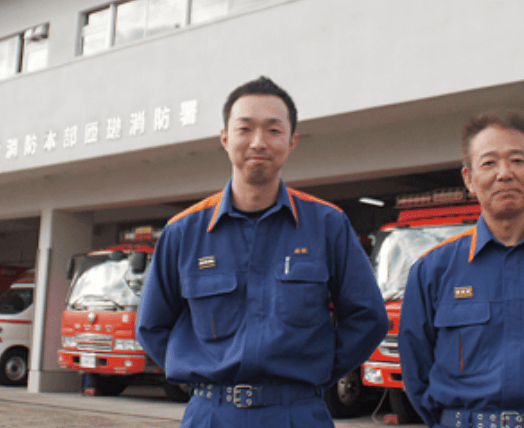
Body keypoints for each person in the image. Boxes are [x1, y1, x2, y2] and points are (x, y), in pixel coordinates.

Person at [136, 76, 389, 428]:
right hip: (211, 414)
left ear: (291, 141)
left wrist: (312, 370)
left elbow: (368, 317)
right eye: (244, 129)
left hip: (297, 414)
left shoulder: (327, 224)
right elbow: (151, 325)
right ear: (225, 138)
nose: (258, 142)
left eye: (273, 130)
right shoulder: (183, 232)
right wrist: (200, 370)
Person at [398, 111, 524, 428]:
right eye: (489, 163)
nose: (504, 174)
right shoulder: (432, 271)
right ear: (469, 178)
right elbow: (416, 369)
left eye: (517, 161)